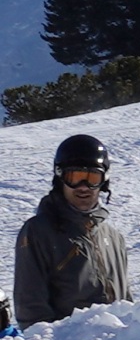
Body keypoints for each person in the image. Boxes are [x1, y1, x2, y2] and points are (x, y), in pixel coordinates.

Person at [13, 134, 132, 327]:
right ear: (60, 178)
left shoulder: (113, 237)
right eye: (74, 178)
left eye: (92, 178)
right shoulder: (39, 231)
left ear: (104, 181)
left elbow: (126, 302)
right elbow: (30, 308)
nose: (84, 187)